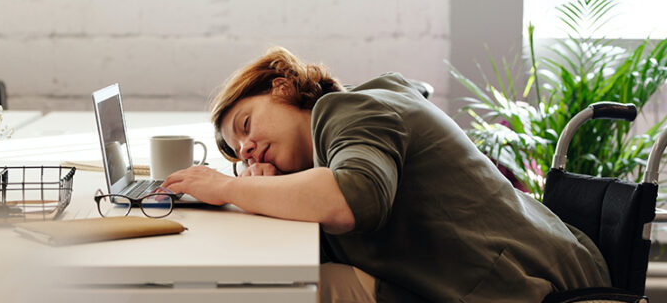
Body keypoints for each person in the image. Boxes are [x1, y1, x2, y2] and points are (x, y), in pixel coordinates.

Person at [161, 47, 611, 302]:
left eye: (245, 126)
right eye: (239, 152)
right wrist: (266, 187)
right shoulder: (356, 114)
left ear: (280, 86)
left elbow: (355, 199)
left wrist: (229, 186)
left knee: (273, 290)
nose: (248, 148)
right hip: (532, 270)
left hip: (519, 290)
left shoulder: (347, 110)